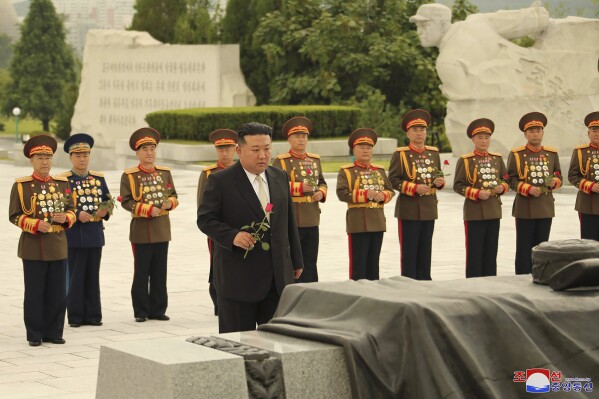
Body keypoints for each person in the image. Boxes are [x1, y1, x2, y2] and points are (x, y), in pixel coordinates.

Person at [197, 122, 303, 333]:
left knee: (275, 342)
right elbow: (205, 219)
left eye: (267, 148)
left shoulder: (279, 177)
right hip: (238, 279)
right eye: (255, 150)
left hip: (277, 278)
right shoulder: (220, 181)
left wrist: (296, 260)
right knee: (237, 345)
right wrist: (232, 236)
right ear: (239, 150)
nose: (262, 155)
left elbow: (289, 221)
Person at [9, 135, 76, 346]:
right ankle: (35, 333)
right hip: (33, 246)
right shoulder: (22, 186)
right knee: (35, 293)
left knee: (57, 293)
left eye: (48, 157)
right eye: (40, 157)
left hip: (57, 244)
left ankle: (54, 332)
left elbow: (72, 211)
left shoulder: (63, 184)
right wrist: (34, 224)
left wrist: (66, 218)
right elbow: (14, 215)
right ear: (31, 160)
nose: (44, 162)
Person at [119, 127, 179, 322]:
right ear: (137, 153)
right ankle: (141, 310)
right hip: (141, 231)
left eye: (152, 149)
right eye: (145, 149)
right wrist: (145, 209)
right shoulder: (130, 176)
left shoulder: (164, 173)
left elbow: (174, 196)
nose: (149, 153)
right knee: (142, 271)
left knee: (160, 272)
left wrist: (170, 204)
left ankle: (158, 309)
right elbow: (126, 201)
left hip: (162, 229)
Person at [61, 133, 111, 327]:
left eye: (85, 155)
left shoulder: (98, 178)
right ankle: (75, 316)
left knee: (92, 275)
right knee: (75, 276)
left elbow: (107, 199)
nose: (82, 159)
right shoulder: (64, 180)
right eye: (78, 156)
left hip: (94, 234)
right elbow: (62, 205)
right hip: (74, 236)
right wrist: (78, 212)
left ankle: (93, 315)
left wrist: (106, 210)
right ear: (71, 158)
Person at [388, 109, 445, 280]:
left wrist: (440, 182)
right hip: (409, 209)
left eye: (422, 130)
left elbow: (437, 174)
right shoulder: (401, 154)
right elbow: (392, 179)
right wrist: (413, 188)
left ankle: (425, 280)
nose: (419, 133)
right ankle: (409, 281)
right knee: (409, 250)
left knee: (426, 248)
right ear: (408, 133)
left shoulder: (433, 153)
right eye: (415, 130)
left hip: (428, 207)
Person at [272, 116, 327, 283]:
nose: (301, 139)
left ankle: (312, 294)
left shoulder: (314, 160)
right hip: (291, 218)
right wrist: (298, 188)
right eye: (297, 136)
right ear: (289, 139)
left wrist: (321, 193)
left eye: (304, 136)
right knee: (292, 262)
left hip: (311, 216)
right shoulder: (281, 161)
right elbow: (275, 186)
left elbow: (322, 182)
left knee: (310, 261)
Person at [507, 112, 562, 275]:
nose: (535, 134)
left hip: (545, 206)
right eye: (531, 131)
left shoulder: (551, 154)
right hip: (525, 206)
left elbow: (558, 175)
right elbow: (511, 179)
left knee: (543, 246)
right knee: (524, 247)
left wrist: (554, 183)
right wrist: (527, 188)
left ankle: (542, 276)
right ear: (525, 134)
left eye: (538, 131)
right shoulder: (517, 154)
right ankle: (522, 277)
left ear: (543, 133)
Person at [453, 119, 509, 278]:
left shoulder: (497, 159)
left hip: (493, 210)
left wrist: (502, 188)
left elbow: (506, 180)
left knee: (491, 250)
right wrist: (476, 193)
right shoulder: (466, 160)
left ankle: (491, 281)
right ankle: (473, 282)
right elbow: (458, 185)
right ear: (473, 139)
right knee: (474, 251)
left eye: (487, 137)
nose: (484, 141)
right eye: (480, 138)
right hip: (474, 211)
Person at [336, 128, 394, 280]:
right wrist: (364, 195)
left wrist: (383, 195)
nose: (366, 151)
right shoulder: (346, 171)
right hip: (358, 223)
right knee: (358, 265)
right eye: (361, 147)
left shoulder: (379, 170)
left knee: (374, 264)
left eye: (369, 148)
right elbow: (342, 194)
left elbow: (390, 191)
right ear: (354, 150)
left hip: (377, 221)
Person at [197, 128, 238, 315]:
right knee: (218, 264)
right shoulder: (208, 174)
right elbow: (202, 204)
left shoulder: (241, 171)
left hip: (239, 227)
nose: (225, 153)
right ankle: (218, 301)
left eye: (228, 149)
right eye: (221, 149)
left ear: (235, 149)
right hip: (219, 228)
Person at [568, 111, 599, 240]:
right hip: (588, 204)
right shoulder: (581, 152)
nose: (597, 133)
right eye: (594, 130)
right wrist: (590, 186)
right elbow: (573, 175)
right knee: (589, 244)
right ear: (588, 133)